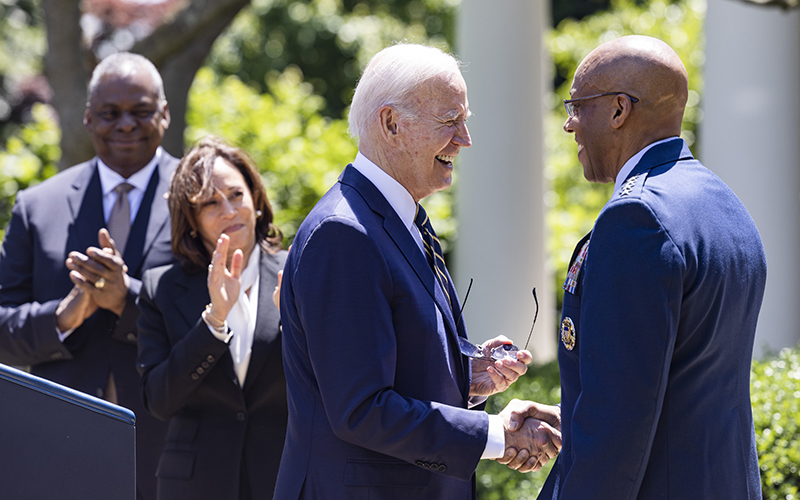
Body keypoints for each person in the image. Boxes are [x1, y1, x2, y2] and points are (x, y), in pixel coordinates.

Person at [274, 43, 562, 500]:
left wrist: (466, 378)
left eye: (465, 121)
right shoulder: (344, 234)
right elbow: (361, 408)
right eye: (450, 122)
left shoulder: (397, 219)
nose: (465, 139)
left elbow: (387, 370)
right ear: (391, 124)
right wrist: (494, 434)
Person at [515, 35, 766, 499]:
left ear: (618, 111)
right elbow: (673, 380)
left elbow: (620, 421)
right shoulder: (724, 203)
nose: (570, 124)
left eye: (577, 105)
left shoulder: (637, 218)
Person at [0, 52, 176, 500]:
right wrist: (63, 316)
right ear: (87, 117)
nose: (125, 125)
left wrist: (128, 300)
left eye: (140, 111)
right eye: (110, 113)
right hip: (57, 445)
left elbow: (221, 319)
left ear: (165, 114)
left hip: (168, 447)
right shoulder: (38, 206)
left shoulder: (200, 200)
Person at [136, 136, 288, 499]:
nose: (229, 210)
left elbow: (328, 385)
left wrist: (300, 329)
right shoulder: (162, 288)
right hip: (195, 483)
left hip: (282, 477)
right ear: (190, 220)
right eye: (209, 203)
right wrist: (214, 321)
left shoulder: (297, 274)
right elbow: (158, 400)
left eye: (236, 195)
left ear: (255, 197)